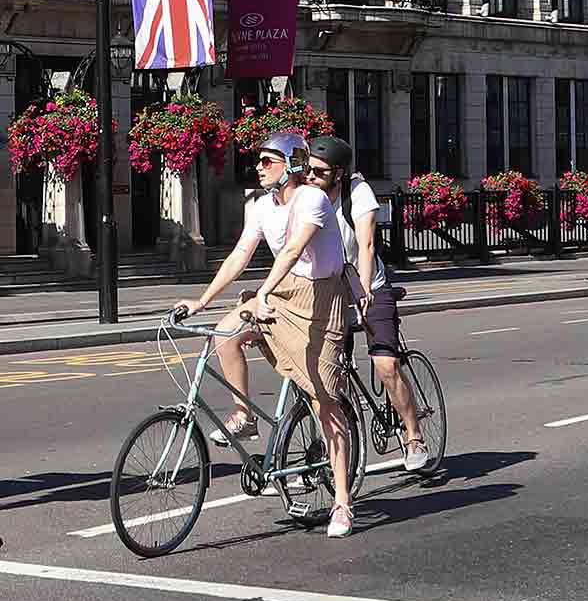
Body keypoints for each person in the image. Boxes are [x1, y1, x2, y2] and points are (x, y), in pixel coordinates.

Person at [172, 131, 358, 537]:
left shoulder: (313, 198)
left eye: (268, 160)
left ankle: (342, 502)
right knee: (225, 332)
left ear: (292, 165)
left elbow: (293, 249)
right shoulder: (258, 206)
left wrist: (263, 292)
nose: (258, 166)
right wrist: (202, 301)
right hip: (280, 290)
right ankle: (244, 416)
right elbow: (240, 254)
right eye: (258, 160)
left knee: (324, 399)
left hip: (319, 298)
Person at [307, 136, 431, 473]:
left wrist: (363, 292)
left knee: (386, 365)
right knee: (329, 374)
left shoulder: (357, 193)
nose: (311, 176)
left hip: (370, 287)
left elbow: (366, 243)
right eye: (307, 169)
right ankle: (336, 445)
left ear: (339, 173)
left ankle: (413, 436)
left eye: (319, 171)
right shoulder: (307, 196)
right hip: (331, 294)